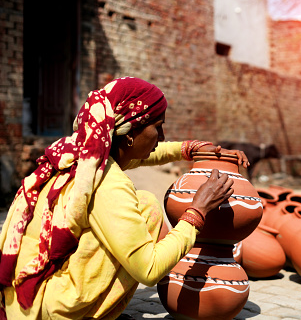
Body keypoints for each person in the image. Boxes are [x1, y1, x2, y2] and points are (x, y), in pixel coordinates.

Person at [0, 77, 249, 319]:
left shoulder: (82, 153)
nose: (161, 137)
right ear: (129, 133)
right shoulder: (108, 183)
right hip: (52, 308)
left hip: (25, 298)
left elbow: (147, 152)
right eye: (158, 127)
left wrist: (190, 148)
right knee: (148, 208)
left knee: (140, 207)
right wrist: (197, 211)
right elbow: (149, 271)